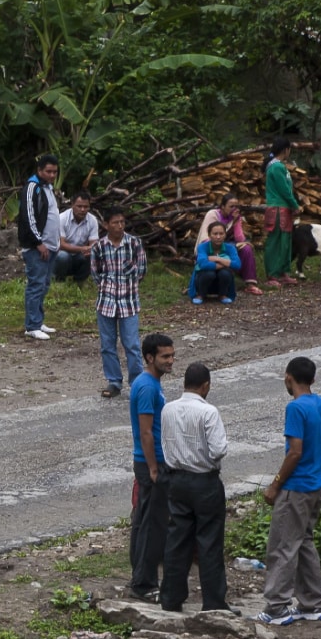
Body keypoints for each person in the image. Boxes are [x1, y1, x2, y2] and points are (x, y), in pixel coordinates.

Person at [256, 356, 321, 625]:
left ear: (288, 377)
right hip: (315, 487)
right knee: (304, 543)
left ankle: (276, 607)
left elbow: (295, 452)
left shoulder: (296, 408)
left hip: (295, 488)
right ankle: (311, 603)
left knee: (282, 546)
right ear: (312, 379)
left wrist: (276, 483)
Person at [159, 363, 232, 613]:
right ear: (206, 386)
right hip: (204, 481)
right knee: (209, 542)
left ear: (184, 384)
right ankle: (213, 602)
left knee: (177, 539)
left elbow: (165, 444)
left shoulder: (168, 409)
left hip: (176, 480)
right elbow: (219, 449)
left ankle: (170, 597)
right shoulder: (208, 412)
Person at [129, 333, 175, 602]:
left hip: (151, 461)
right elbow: (146, 432)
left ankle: (139, 577)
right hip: (152, 462)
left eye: (171, 355)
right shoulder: (147, 386)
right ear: (149, 357)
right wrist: (154, 468)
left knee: (143, 522)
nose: (171, 361)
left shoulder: (149, 383)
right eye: (165, 356)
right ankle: (145, 584)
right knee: (152, 525)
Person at [91, 209, 147, 398]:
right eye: (115, 222)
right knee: (107, 345)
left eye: (122, 222)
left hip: (129, 302)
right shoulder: (99, 247)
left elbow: (142, 271)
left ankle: (137, 382)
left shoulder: (134, 243)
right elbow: (96, 274)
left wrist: (128, 284)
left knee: (131, 344)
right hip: (106, 302)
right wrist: (107, 287)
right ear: (106, 225)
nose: (120, 226)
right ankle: (114, 381)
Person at [16, 154, 61, 340]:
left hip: (50, 246)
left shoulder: (48, 188)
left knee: (44, 284)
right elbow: (28, 217)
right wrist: (38, 242)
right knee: (35, 285)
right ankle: (32, 325)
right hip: (37, 247)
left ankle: (38, 320)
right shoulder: (32, 187)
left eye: (55, 172)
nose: (52, 175)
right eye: (48, 171)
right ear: (40, 170)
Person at [197, 194, 263, 295]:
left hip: (227, 245)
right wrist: (229, 246)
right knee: (232, 248)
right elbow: (206, 237)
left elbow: (240, 238)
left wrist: (236, 221)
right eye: (231, 206)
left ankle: (250, 284)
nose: (234, 209)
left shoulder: (235, 217)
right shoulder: (213, 214)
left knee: (246, 249)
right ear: (222, 206)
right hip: (210, 245)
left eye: (236, 206)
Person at [262, 138, 300, 287]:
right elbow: (284, 189)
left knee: (285, 242)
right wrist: (295, 204)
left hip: (283, 208)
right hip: (277, 209)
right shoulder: (276, 167)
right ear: (285, 150)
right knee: (276, 241)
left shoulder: (278, 166)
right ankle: (272, 274)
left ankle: (283, 272)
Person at [53, 191, 99, 283]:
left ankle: (79, 281)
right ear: (72, 205)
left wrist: (91, 250)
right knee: (63, 256)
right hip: (61, 255)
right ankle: (58, 279)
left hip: (78, 256)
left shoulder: (92, 220)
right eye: (79, 206)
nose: (82, 209)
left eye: (86, 207)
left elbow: (94, 244)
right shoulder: (62, 218)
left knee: (93, 255)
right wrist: (83, 248)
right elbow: (61, 245)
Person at [189, 222, 239, 304]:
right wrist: (226, 262)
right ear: (209, 235)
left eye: (221, 233)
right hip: (204, 280)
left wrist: (216, 258)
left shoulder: (230, 248)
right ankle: (201, 294)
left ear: (225, 234)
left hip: (221, 282)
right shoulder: (202, 247)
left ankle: (222, 294)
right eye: (215, 234)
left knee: (225, 273)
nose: (218, 237)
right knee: (209, 273)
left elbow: (237, 264)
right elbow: (203, 264)